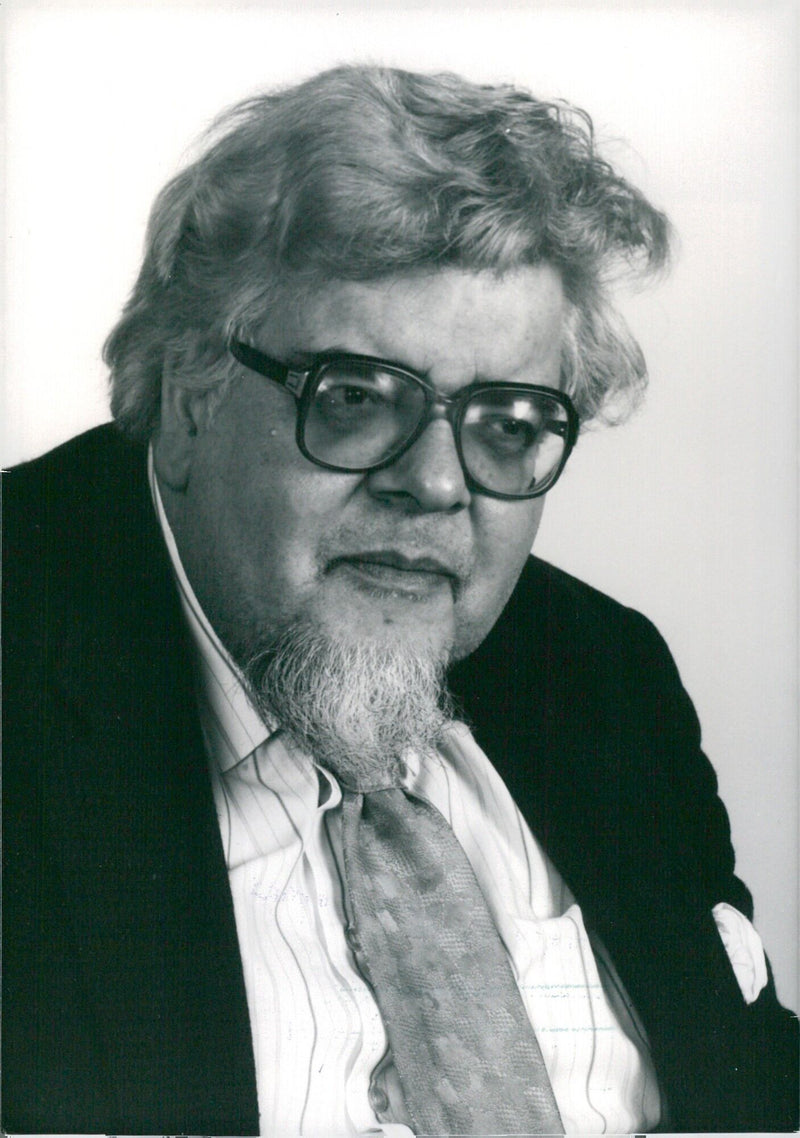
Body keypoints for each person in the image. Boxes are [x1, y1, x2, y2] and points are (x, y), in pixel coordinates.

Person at [2, 64, 797, 1136]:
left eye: (506, 421)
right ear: (189, 393)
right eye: (356, 400)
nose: (432, 483)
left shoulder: (602, 669)